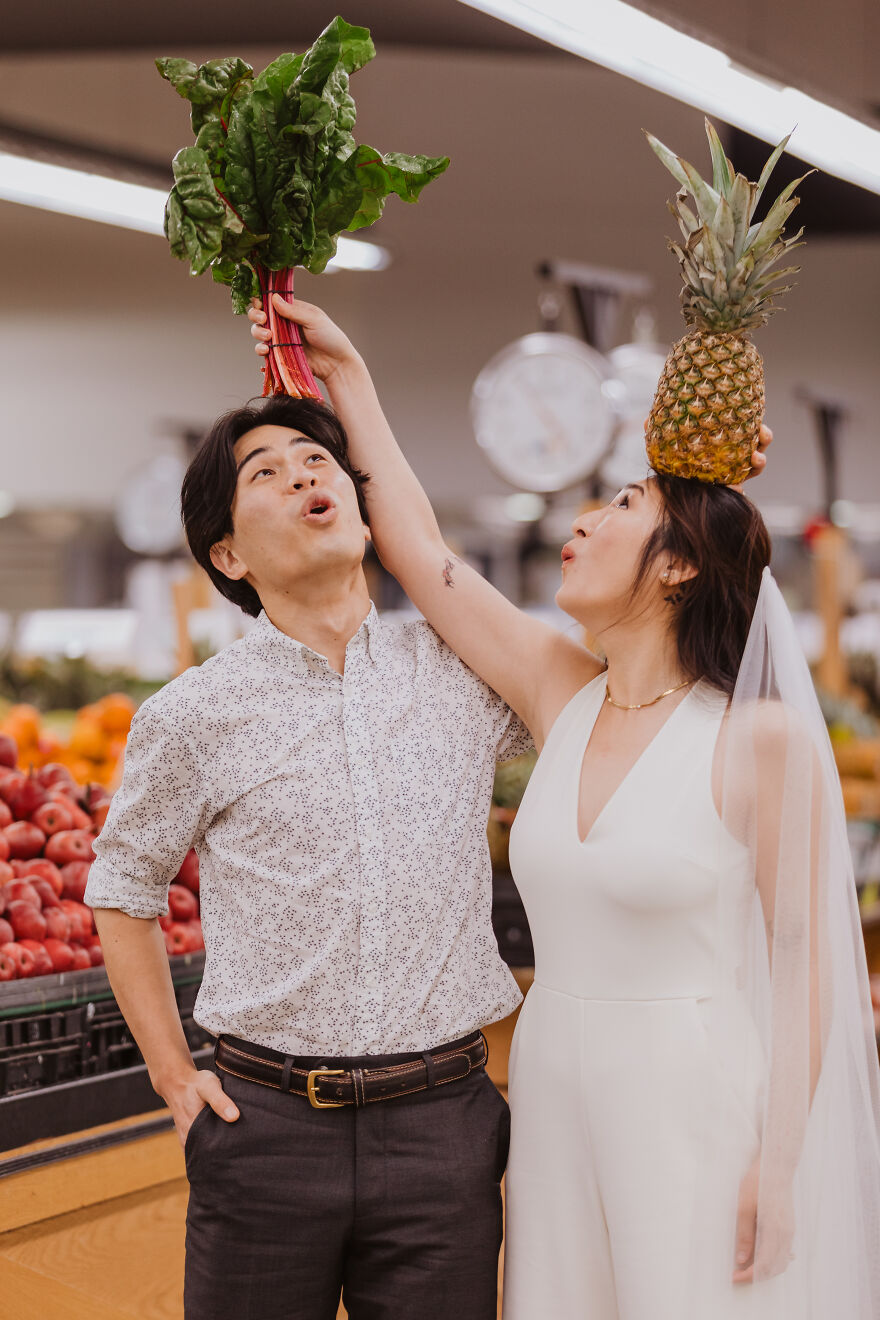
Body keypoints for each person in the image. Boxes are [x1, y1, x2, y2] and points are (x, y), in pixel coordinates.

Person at [248, 293, 880, 1318]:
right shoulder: (559, 692)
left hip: (694, 1095)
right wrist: (349, 378)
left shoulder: (754, 740)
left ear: (676, 565)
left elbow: (806, 965)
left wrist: (778, 1165)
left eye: (621, 508)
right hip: (550, 1091)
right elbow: (420, 553)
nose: (582, 522)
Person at [85, 394, 531, 1320]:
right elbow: (122, 892)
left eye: (316, 459)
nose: (302, 473)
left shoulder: (462, 672)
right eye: (264, 472)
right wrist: (176, 1080)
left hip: (444, 1126)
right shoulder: (192, 715)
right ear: (229, 555)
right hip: (264, 1130)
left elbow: (607, 692)